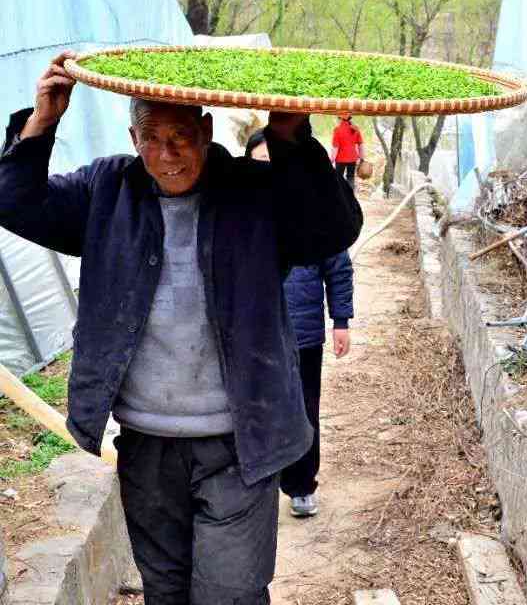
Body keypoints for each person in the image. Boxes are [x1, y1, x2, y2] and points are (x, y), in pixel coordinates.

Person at [0, 53, 362, 605]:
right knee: (166, 590)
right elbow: (14, 201)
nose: (167, 154)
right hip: (147, 445)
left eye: (181, 136)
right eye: (152, 138)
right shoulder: (108, 190)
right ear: (132, 137)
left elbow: (331, 229)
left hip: (241, 441)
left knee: (230, 593)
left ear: (207, 129)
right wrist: (41, 122)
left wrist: (289, 135)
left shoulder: (253, 191)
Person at [245, 130, 354, 518]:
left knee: (303, 409)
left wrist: (341, 320)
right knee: (254, 407)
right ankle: (259, 483)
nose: (268, 172)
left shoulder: (314, 213)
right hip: (252, 334)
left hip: (303, 333)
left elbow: (339, 269)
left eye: (275, 163)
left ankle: (301, 484)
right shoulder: (237, 215)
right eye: (259, 164)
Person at [331, 114, 365, 189]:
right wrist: (362, 158)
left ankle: (339, 196)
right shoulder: (356, 129)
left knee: (338, 178)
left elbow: (335, 148)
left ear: (340, 119)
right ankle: (350, 196)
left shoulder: (337, 130)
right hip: (352, 158)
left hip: (340, 159)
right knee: (350, 178)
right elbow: (361, 145)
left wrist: (331, 161)